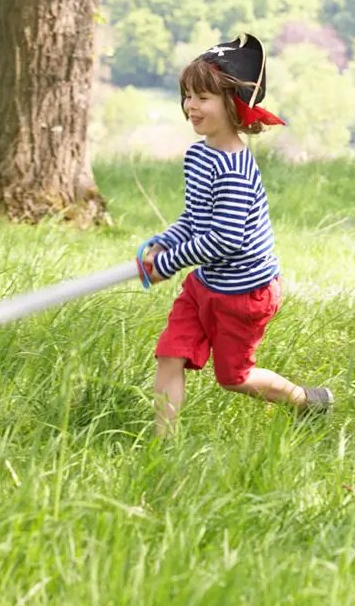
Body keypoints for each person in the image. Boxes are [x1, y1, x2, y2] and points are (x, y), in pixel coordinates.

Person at [141, 34, 333, 436]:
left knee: (233, 377)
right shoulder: (199, 154)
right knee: (170, 356)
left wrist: (169, 264)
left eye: (203, 98)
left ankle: (307, 401)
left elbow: (223, 239)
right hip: (205, 284)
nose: (191, 106)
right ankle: (161, 447)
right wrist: (164, 242)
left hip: (244, 295)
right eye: (187, 96)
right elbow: (196, 218)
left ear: (233, 104)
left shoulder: (233, 169)